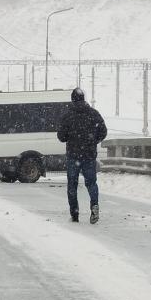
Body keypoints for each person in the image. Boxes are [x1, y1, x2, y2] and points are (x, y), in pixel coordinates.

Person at [57, 88, 108, 224]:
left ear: (72, 99)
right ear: (84, 99)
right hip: (89, 155)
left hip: (73, 156)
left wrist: (71, 137)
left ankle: (74, 214)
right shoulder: (93, 114)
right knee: (91, 183)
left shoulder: (67, 116)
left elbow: (61, 137)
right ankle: (94, 205)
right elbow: (103, 131)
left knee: (72, 185)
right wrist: (93, 140)